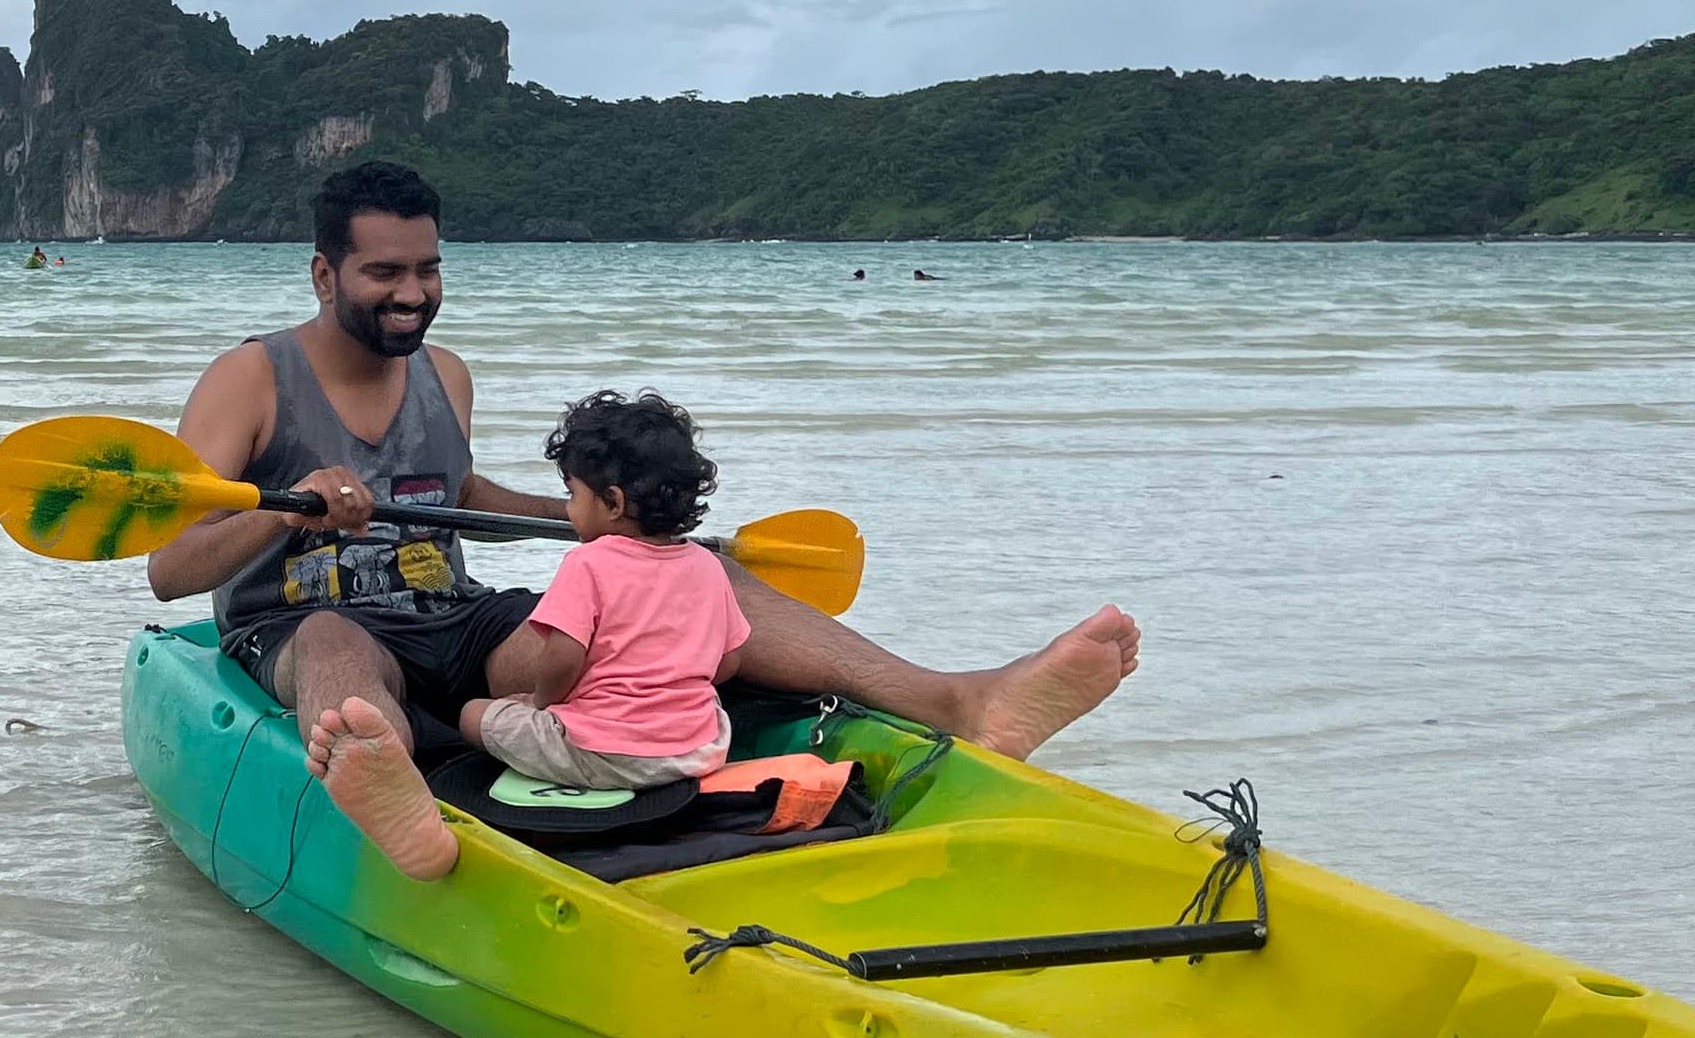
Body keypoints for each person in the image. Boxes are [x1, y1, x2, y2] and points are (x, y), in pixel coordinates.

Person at [144, 159, 1141, 884]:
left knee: (693, 579)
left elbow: (462, 496)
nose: (412, 295)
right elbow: (170, 569)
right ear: (325, 275)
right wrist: (288, 514)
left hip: (453, 616)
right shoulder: (251, 379)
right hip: (296, 624)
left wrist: (610, 530)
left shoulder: (444, 374)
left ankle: (963, 703)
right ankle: (389, 781)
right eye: (384, 275)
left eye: (427, 270)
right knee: (331, 637)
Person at [450, 388, 743, 795]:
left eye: (573, 494)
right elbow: (728, 661)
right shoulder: (708, 566)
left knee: (473, 715)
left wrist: (540, 702)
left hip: (603, 753)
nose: (569, 509)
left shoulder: (588, 563)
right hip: (696, 750)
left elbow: (563, 659)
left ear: (613, 502)